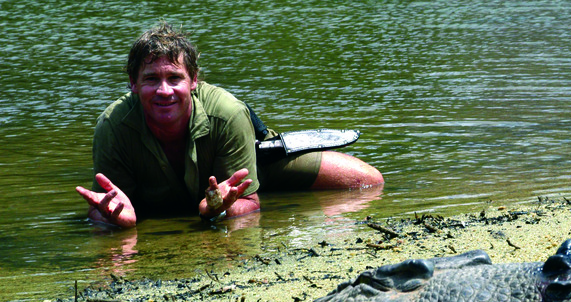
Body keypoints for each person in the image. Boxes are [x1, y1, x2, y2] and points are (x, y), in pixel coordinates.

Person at [76, 22, 383, 228]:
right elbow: (105, 205)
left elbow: (249, 203)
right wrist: (114, 223)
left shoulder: (228, 113)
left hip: (244, 167)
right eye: (151, 79)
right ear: (133, 84)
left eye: (175, 78)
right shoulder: (113, 125)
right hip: (186, 190)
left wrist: (220, 210)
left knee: (368, 181)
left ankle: (267, 172)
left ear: (194, 80)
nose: (164, 91)